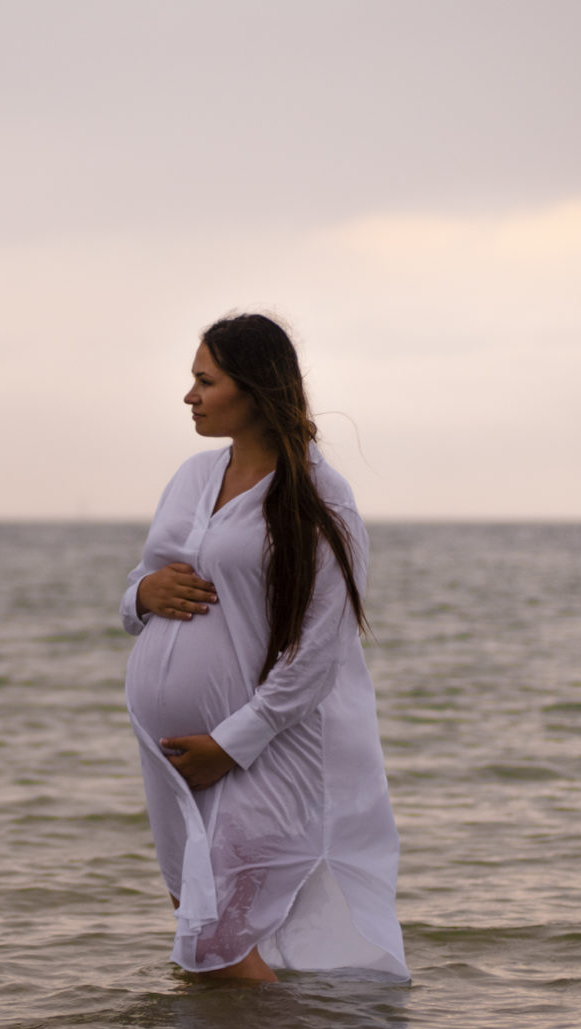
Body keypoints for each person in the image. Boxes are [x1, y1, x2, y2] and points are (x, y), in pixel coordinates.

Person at [121, 314, 408, 982]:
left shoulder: (319, 498)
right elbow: (139, 590)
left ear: (251, 389)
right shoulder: (192, 478)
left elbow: (315, 656)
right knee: (200, 921)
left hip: (259, 753)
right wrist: (142, 595)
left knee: (215, 944)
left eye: (204, 381)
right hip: (173, 756)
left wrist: (229, 747)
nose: (189, 396)